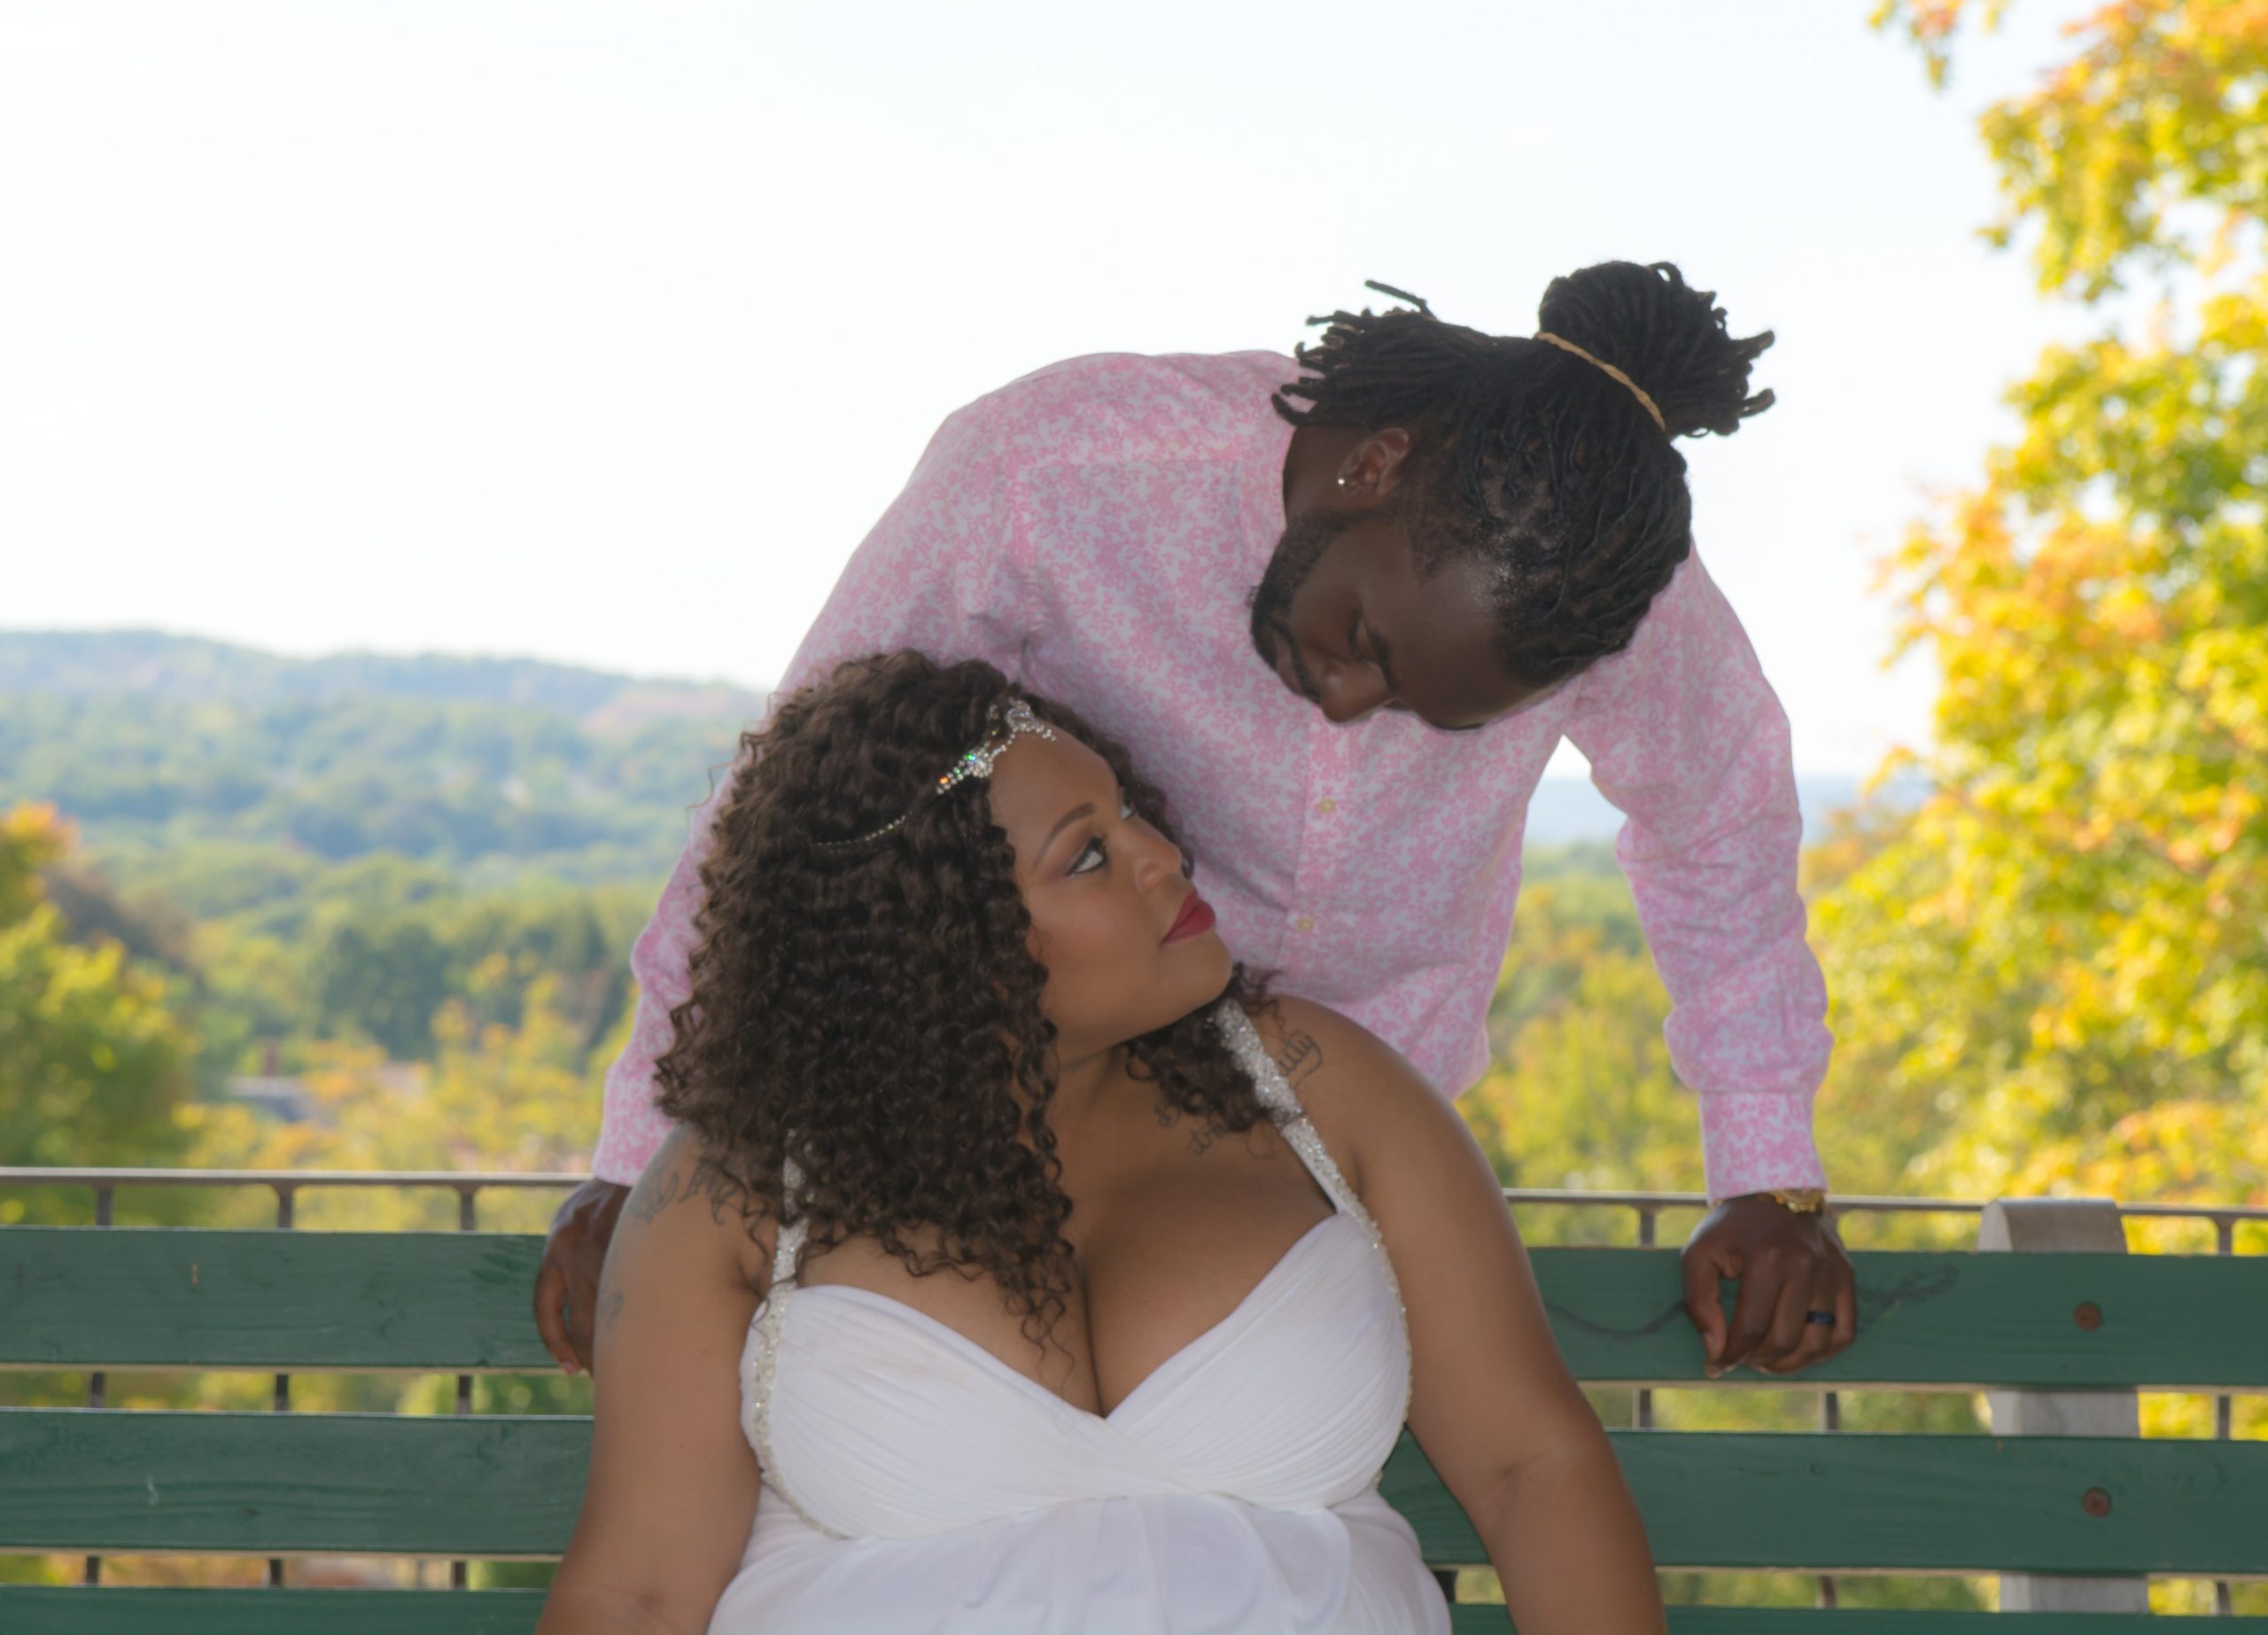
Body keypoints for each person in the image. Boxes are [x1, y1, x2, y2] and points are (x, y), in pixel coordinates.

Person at [537, 261, 1855, 1385]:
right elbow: (799, 810)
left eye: (1419, 705)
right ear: (1375, 464)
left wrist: (1767, 1172)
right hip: (1005, 1144)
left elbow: (1717, 822)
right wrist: (643, 1159)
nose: (1346, 702)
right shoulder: (1049, 469)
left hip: (1355, 1188)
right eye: (1358, 636)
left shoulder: (1606, 577)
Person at [534, 653, 1667, 1635]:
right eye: (1086, 854)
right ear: (951, 948)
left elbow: (1532, 1471)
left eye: (1128, 810)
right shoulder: (737, 1186)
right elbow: (635, 1597)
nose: (1162, 856)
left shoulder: (1324, 1093)